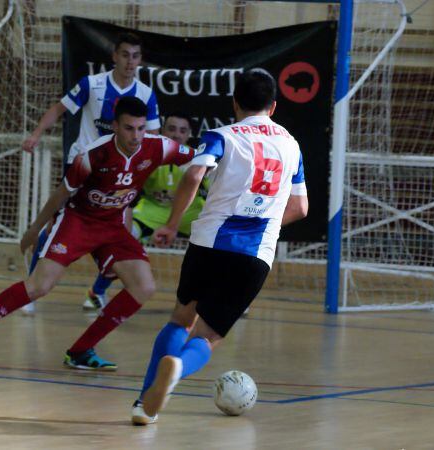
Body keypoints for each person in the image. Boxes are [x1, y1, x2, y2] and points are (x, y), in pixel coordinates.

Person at [0, 97, 194, 371]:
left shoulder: (159, 147)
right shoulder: (93, 155)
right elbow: (61, 193)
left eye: (141, 129)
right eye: (129, 128)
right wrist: (34, 228)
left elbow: (201, 156)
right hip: (78, 221)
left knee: (144, 286)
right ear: (115, 126)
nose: (136, 136)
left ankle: (80, 351)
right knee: (38, 287)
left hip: (113, 226)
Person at [131, 70, 309, 425]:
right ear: (272, 107)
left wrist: (169, 224)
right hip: (253, 255)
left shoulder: (221, 136)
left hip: (208, 244)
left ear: (235, 103)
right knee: (208, 336)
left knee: (181, 319)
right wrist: (269, 224)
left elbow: (194, 176)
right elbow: (301, 208)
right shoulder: (291, 145)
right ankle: (179, 368)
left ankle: (142, 403)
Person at [20, 31, 161, 313]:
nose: (130, 62)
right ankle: (31, 289)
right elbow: (59, 109)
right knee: (55, 227)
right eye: (124, 55)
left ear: (140, 60)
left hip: (120, 173)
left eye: (135, 56)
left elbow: (153, 137)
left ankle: (96, 293)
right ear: (114, 56)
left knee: (122, 232)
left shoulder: (145, 94)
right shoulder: (92, 84)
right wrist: (35, 134)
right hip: (83, 167)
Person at [83, 112, 206, 309]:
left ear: (189, 135)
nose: (176, 135)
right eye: (172, 129)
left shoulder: (198, 160)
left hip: (187, 213)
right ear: (162, 130)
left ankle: (230, 299)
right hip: (151, 211)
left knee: (219, 241)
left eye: (182, 131)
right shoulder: (149, 154)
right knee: (124, 238)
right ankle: (96, 293)